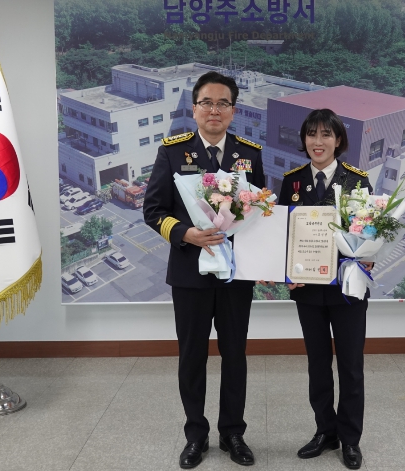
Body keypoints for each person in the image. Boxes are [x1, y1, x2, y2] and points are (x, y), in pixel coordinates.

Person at [143, 71, 265, 469]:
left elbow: (258, 213)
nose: (215, 110)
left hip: (235, 277)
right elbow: (153, 210)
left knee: (235, 355)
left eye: (223, 103)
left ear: (233, 110)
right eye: (207, 103)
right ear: (194, 109)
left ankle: (233, 433)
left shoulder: (250, 154)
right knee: (192, 356)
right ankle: (196, 434)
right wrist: (186, 233)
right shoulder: (172, 152)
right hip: (189, 275)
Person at [278, 109, 372, 470]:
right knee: (317, 364)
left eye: (326, 135)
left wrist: (368, 256)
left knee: (350, 366)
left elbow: (369, 231)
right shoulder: (293, 181)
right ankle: (325, 431)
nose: (318, 142)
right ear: (304, 140)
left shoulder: (357, 181)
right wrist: (286, 271)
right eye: (311, 134)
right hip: (308, 290)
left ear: (338, 140)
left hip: (347, 290)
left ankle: (350, 439)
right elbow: (284, 235)